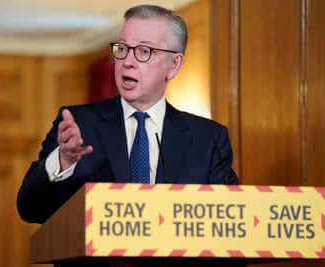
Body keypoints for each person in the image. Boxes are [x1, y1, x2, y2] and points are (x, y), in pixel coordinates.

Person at [17, 4, 241, 267]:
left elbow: (232, 229)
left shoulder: (208, 138)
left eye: (144, 51)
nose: (128, 61)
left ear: (173, 64)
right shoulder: (78, 124)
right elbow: (30, 208)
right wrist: (62, 162)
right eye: (122, 49)